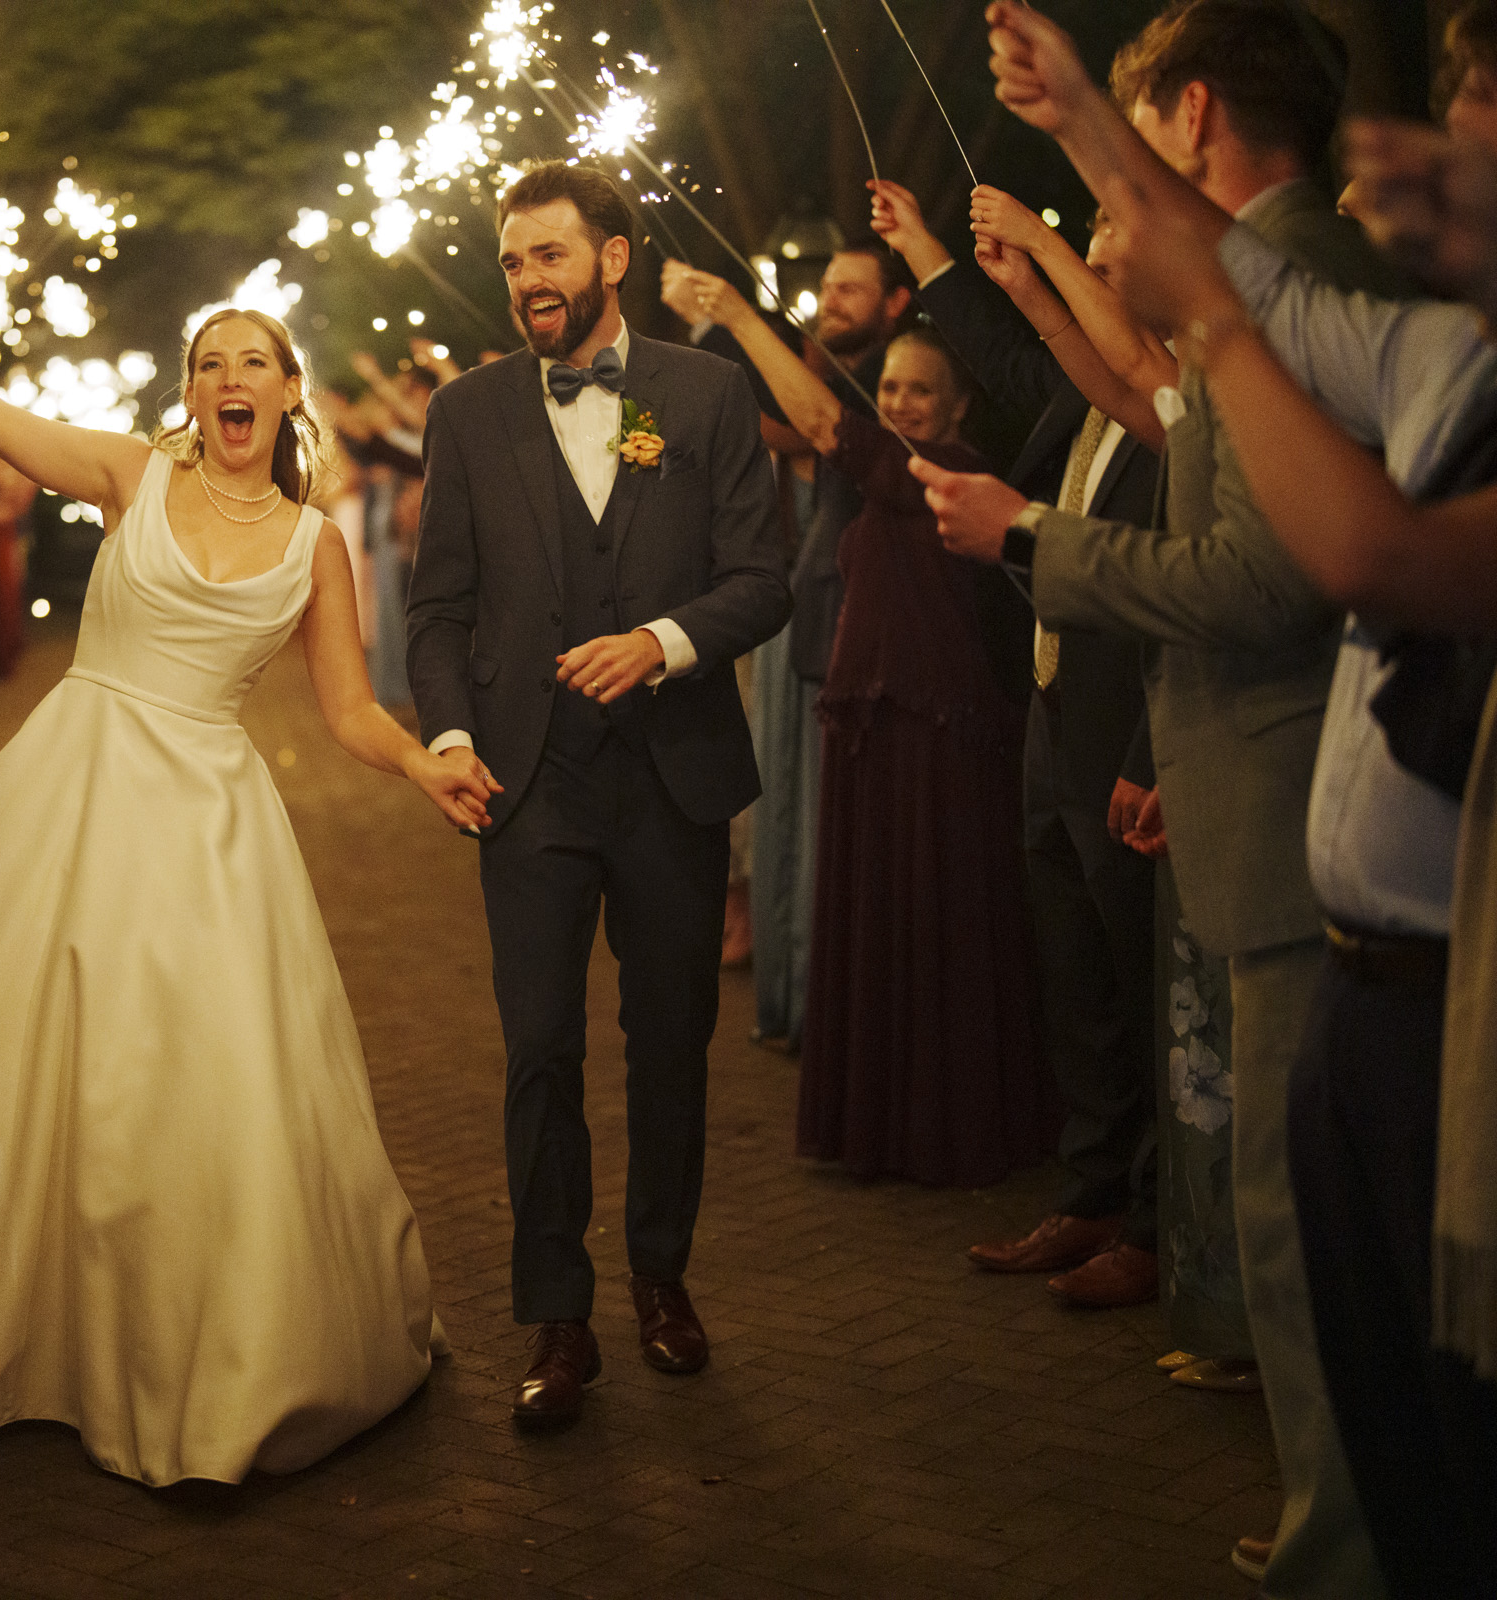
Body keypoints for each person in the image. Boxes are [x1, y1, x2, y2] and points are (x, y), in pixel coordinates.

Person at [0, 302, 481, 1486]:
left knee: (187, 1077)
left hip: (207, 829)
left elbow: (344, 708)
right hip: (66, 794)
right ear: (192, 393)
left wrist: (421, 759)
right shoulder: (128, 472)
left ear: (290, 392)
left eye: (254, 363)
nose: (230, 379)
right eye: (209, 364)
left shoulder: (313, 544)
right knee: (7, 1060)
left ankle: (195, 1363)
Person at [972, 4, 1497, 1588]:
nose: (1418, 162)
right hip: (1335, 908)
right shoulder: (1415, 331)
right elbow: (1222, 318)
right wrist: (1078, 129)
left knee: (1367, 1304)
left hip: (1410, 949)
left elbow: (1329, 560)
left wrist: (1021, 534)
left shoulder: (1386, 312)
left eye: (1475, 126)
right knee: (1332, 1273)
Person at [407, 161, 789, 1429]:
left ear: (612, 259)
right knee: (541, 1050)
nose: (528, 282)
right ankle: (556, 1315)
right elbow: (439, 611)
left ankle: (663, 1279)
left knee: (670, 1042)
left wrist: (665, 641)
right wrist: (451, 735)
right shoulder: (466, 414)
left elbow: (763, 576)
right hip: (527, 783)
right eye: (513, 261)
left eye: (551, 257)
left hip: (671, 779)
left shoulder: (706, 394)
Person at [678, 257, 1053, 1190]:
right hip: (876, 730)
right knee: (881, 922)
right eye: (890, 388)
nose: (901, 403)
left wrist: (736, 313)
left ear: (960, 406)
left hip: (936, 733)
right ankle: (884, 1124)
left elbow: (816, 421)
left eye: (921, 390)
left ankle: (944, 1130)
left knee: (934, 925)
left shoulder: (944, 472)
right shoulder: (899, 471)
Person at [871, 177, 1172, 1311]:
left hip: (1126, 724)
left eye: (1103, 244)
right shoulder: (1082, 397)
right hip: (1053, 710)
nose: (1088, 265)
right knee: (1074, 968)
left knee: (1135, 973)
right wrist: (938, 257)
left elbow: (1188, 591)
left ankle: (1153, 1218)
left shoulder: (1181, 405)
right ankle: (1091, 1187)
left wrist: (1152, 747)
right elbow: (1008, 359)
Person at [660, 243, 914, 1052]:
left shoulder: (878, 386)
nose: (830, 300)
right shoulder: (841, 375)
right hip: (800, 606)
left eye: (850, 288)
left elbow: (799, 424)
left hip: (854, 616)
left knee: (813, 817)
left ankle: (818, 997)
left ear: (897, 303)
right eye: (826, 287)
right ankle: (792, 989)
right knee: (782, 810)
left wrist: (727, 314)